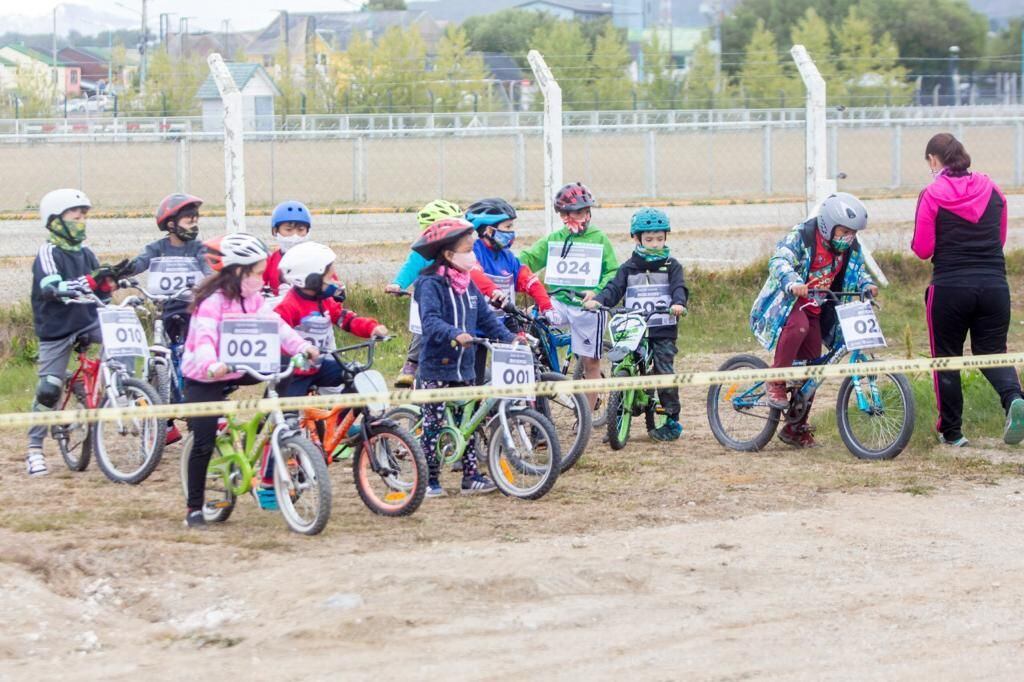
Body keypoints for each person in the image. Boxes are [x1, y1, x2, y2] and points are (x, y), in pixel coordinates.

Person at [180, 232, 318, 529]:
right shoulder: (211, 302)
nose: (261, 278)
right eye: (256, 272)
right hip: (206, 374)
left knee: (287, 369)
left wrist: (301, 347)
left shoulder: (254, 299)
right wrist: (211, 364)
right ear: (237, 272)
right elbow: (203, 337)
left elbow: (277, 326)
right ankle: (194, 507)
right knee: (203, 442)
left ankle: (277, 420)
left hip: (241, 365)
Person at [911, 132, 1024, 446]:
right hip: (994, 286)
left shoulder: (932, 194)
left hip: (950, 288)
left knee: (945, 359)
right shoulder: (994, 190)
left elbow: (922, 248)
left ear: (934, 160)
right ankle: (1015, 398)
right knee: (992, 352)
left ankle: (952, 433)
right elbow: (999, 240)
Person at [750, 192, 878, 448]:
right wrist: (793, 282)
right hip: (790, 302)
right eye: (843, 231)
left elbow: (858, 271)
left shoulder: (850, 248)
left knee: (813, 367)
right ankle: (776, 379)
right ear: (827, 225)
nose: (848, 238)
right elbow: (779, 260)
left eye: (852, 233)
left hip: (820, 306)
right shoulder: (803, 236)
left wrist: (866, 284)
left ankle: (795, 428)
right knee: (798, 327)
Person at [412, 218, 521, 497]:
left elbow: (486, 318)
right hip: (437, 367)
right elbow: (430, 321)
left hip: (466, 367)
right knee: (433, 425)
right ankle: (430, 479)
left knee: (468, 424)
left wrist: (511, 339)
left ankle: (471, 477)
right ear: (449, 254)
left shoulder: (468, 283)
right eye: (467, 249)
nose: (472, 255)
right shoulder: (429, 283)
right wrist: (455, 333)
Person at [26, 189, 128, 477]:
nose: (81, 221)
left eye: (84, 216)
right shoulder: (48, 252)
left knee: (121, 340)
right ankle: (34, 448)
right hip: (56, 326)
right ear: (56, 220)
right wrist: (89, 280)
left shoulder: (86, 253)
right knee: (48, 388)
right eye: (75, 215)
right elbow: (52, 287)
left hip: (87, 319)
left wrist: (114, 281)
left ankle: (120, 386)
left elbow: (101, 291)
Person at [584, 208, 688, 441]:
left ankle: (672, 419)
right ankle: (617, 419)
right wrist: (598, 301)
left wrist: (678, 303)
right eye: (649, 239)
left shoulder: (672, 266)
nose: (655, 244)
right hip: (633, 328)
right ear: (636, 238)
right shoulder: (628, 268)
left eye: (660, 239)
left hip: (662, 327)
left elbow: (679, 288)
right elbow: (613, 289)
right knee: (622, 363)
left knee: (664, 369)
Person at [518, 182, 618, 407]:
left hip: (587, 306)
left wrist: (597, 292)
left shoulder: (599, 238)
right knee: (529, 321)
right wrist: (507, 266)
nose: (574, 218)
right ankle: (542, 369)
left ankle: (589, 412)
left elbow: (613, 271)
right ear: (562, 215)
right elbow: (530, 258)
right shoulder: (555, 238)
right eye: (568, 213)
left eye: (580, 212)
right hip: (559, 301)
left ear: (588, 212)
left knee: (591, 361)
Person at [386, 199, 502, 387]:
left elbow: (477, 277)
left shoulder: (462, 261)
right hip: (429, 300)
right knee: (423, 330)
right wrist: (397, 284)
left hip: (455, 300)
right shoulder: (423, 260)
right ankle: (411, 363)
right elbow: (409, 269)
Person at [126, 193, 213, 444]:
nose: (194, 224)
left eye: (196, 219)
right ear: (171, 224)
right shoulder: (157, 248)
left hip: (189, 311)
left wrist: (207, 282)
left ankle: (199, 411)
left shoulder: (199, 248)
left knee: (188, 355)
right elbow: (140, 262)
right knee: (158, 359)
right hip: (164, 309)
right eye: (188, 220)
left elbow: (208, 269)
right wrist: (122, 271)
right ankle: (164, 421)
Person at [465, 197, 559, 384]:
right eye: (507, 227)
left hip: (506, 321)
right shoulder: (473, 252)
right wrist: (493, 292)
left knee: (524, 363)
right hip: (478, 324)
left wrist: (547, 306)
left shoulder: (508, 257)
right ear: (489, 230)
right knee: (474, 381)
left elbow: (529, 280)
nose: (512, 232)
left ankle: (524, 410)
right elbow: (475, 275)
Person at [263, 200, 312, 297]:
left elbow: (332, 285)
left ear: (307, 231)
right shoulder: (271, 260)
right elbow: (258, 286)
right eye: (288, 230)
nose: (295, 235)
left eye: (300, 229)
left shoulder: (316, 258)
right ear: (275, 231)